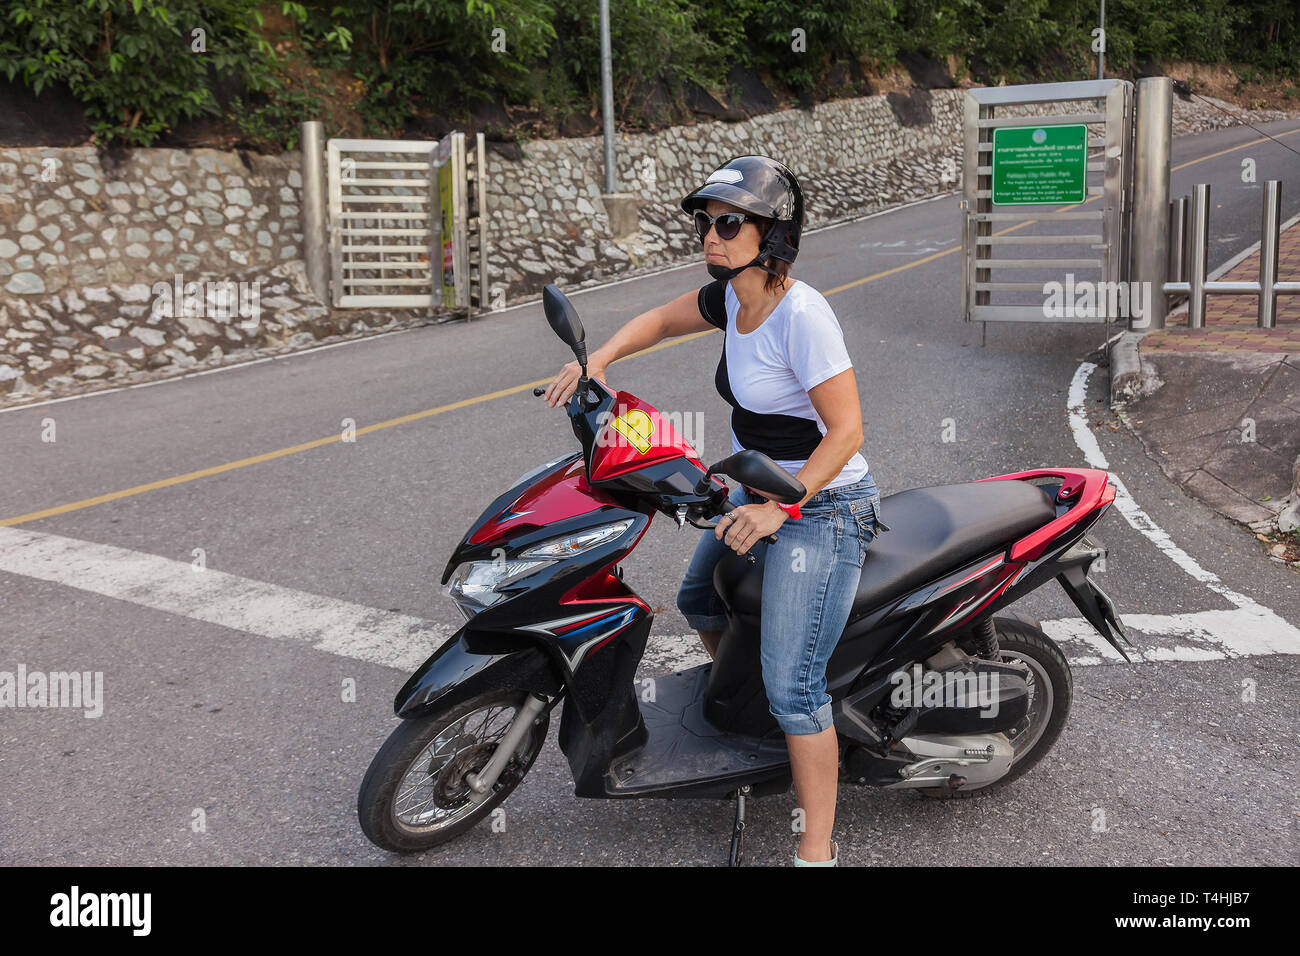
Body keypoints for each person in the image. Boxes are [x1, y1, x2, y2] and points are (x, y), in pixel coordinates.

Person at [544, 155, 885, 866]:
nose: (712, 234)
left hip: (823, 508)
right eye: (707, 221)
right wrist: (598, 359)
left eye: (730, 222)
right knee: (700, 596)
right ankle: (746, 719)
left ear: (775, 235)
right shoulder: (732, 296)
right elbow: (661, 319)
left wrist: (782, 514)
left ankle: (816, 849)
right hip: (760, 493)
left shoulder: (803, 316)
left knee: (796, 686)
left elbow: (848, 431)